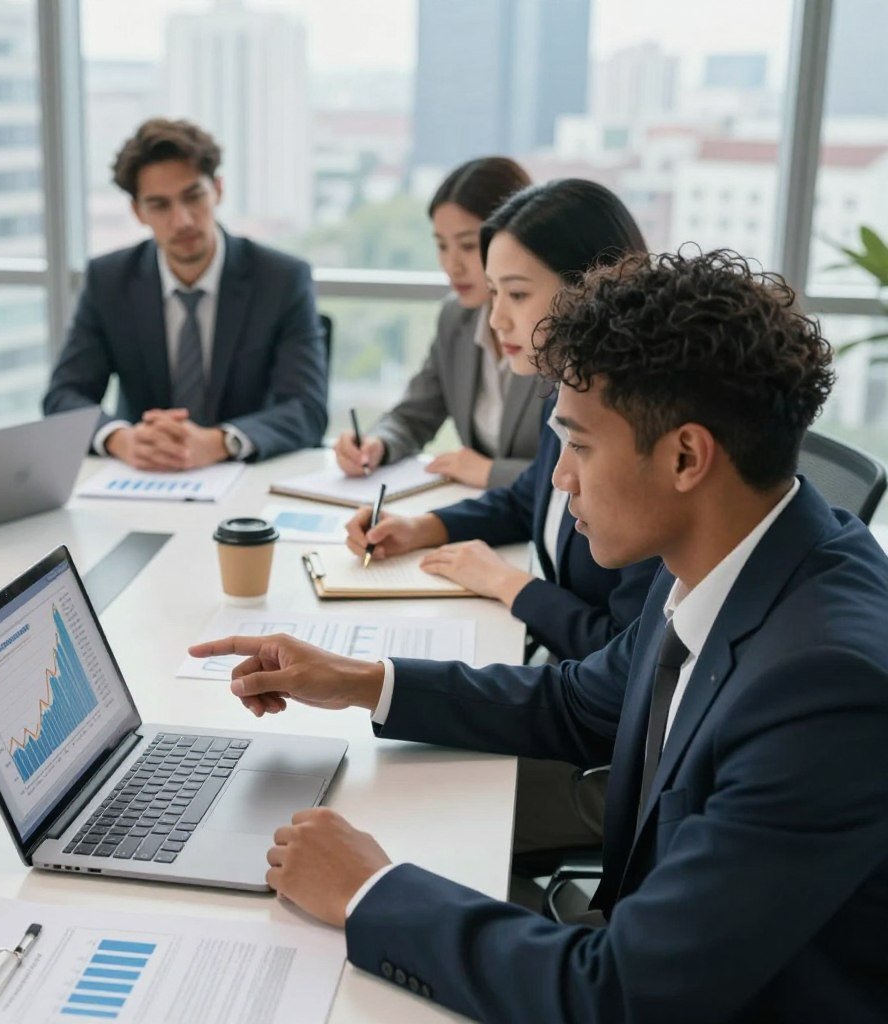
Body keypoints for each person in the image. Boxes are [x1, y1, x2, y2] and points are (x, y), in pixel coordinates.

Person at [191, 249, 888, 1023]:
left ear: (687, 456)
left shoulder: (826, 687)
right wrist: (360, 681)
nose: (560, 480)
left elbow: (621, 994)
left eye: (581, 447)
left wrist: (368, 891)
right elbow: (580, 702)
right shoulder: (724, 551)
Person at [346, 180, 657, 663]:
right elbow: (529, 496)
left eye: (515, 294)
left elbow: (626, 658)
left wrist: (508, 583)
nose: (496, 321)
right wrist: (419, 528)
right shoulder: (562, 389)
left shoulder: (637, 432)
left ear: (591, 290)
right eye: (493, 293)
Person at [43, 118, 327, 469]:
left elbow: (306, 408)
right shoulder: (109, 280)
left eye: (193, 196)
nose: (183, 221)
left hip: (244, 480)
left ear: (218, 190)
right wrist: (121, 439)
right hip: (144, 476)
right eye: (160, 205)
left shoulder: (281, 279)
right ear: (138, 211)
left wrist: (219, 441)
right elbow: (62, 397)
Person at [334, 157, 541, 488]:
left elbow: (576, 474)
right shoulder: (456, 317)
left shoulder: (550, 328)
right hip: (482, 513)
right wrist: (378, 444)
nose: (451, 265)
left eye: (468, 245)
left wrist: (491, 473)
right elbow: (414, 415)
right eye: (442, 246)